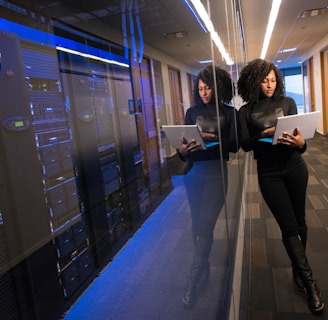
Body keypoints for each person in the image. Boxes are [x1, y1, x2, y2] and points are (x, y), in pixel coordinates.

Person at [237, 58, 324, 313]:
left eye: (274, 80)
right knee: (288, 227)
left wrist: (300, 143)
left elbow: (302, 141)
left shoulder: (287, 103)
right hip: (269, 173)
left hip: (295, 166)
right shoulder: (246, 111)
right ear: (254, 81)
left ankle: (299, 270)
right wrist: (263, 134)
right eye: (265, 80)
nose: (270, 85)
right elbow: (244, 144)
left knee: (301, 221)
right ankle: (310, 285)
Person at [179, 65, 238, 308]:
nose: (204, 92)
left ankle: (193, 282)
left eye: (208, 87)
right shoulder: (191, 112)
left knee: (205, 226)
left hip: (216, 174)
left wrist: (214, 139)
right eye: (200, 88)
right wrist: (182, 151)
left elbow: (235, 146)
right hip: (194, 174)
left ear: (217, 87)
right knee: (197, 226)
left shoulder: (228, 112)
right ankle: (204, 270)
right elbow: (183, 149)